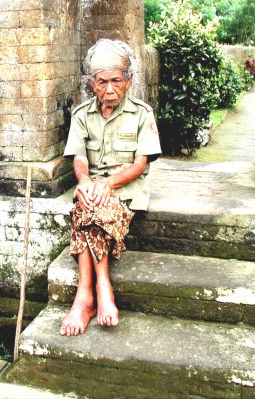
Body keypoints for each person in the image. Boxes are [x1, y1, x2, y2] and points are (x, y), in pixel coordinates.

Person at [60, 39, 161, 336]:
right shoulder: (81, 115)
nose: (109, 88)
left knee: (93, 208)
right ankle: (96, 294)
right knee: (88, 204)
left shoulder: (142, 114)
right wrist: (86, 182)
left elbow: (140, 164)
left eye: (116, 80)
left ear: (128, 81)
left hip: (127, 189)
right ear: (92, 83)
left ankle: (88, 294)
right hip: (95, 187)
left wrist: (106, 183)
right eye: (102, 81)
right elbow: (78, 158)